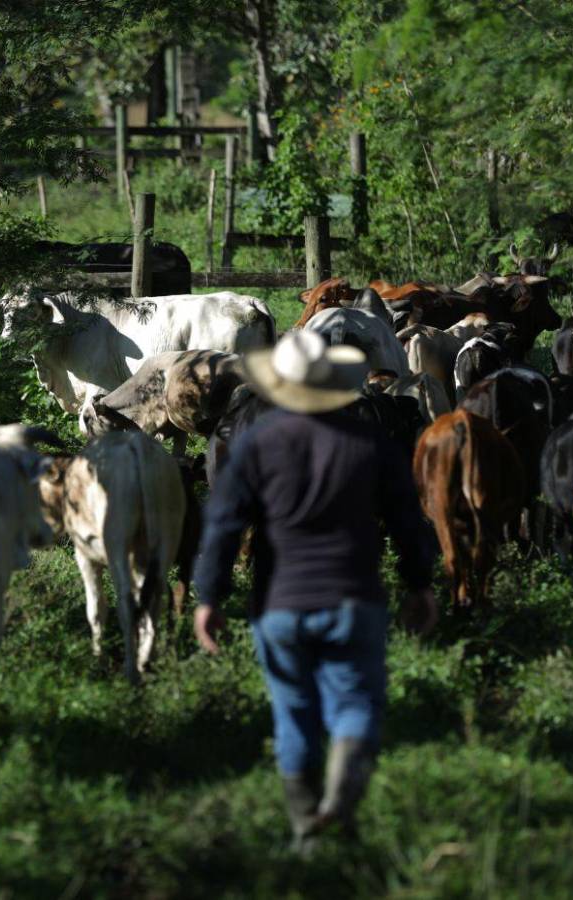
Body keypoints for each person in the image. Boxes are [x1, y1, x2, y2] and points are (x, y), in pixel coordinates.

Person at [192, 330, 438, 851]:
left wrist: (209, 596)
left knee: (293, 714)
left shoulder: (258, 442)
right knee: (355, 704)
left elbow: (224, 524)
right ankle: (339, 804)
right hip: (354, 598)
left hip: (279, 603)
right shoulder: (367, 440)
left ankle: (308, 829)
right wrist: (421, 584)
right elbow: (407, 519)